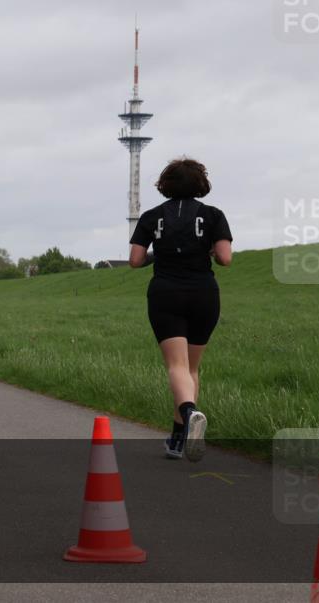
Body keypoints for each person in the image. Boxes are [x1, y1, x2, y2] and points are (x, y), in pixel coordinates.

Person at [129, 156, 232, 463]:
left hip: (166, 293)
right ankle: (177, 439)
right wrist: (209, 250)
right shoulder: (213, 215)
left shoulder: (151, 216)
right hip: (203, 293)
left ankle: (189, 413)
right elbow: (225, 258)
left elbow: (135, 260)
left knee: (176, 365)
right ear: (201, 184)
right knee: (191, 368)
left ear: (166, 184)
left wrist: (156, 255)